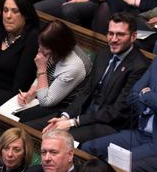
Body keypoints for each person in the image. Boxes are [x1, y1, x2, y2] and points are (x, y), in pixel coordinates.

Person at [81, 11, 157, 163]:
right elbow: (133, 95)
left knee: (113, 162)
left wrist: (146, 94)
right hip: (138, 131)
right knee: (87, 149)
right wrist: (155, 99)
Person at [40, 14, 148, 142]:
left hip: (108, 124)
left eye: (120, 35)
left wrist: (74, 122)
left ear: (133, 36)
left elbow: (117, 111)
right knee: (35, 127)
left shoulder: (139, 67)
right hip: (83, 115)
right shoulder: (104, 53)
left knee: (56, 140)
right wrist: (66, 116)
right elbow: (86, 91)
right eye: (110, 33)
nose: (113, 39)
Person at [12, 19, 90, 124]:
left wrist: (41, 69)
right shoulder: (54, 50)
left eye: (44, 47)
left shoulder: (74, 67)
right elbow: (45, 76)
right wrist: (31, 93)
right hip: (49, 93)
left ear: (58, 47)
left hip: (66, 106)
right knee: (17, 115)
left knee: (24, 120)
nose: (40, 50)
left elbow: (46, 101)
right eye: (40, 44)